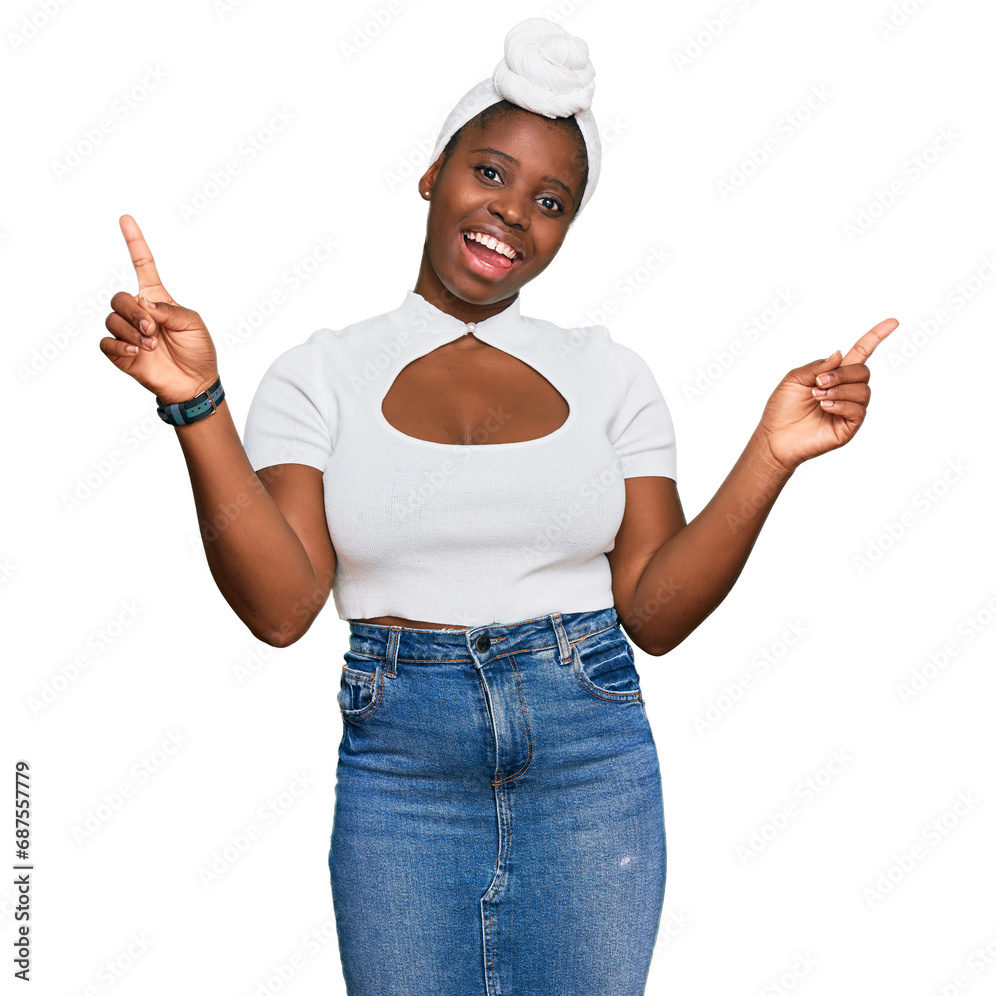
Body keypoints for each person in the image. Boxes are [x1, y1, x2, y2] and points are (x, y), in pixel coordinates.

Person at [100, 17, 896, 996]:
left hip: (590, 763)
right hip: (403, 773)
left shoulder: (610, 376)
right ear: (433, 173)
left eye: (550, 201)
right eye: (489, 174)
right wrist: (196, 404)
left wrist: (771, 455)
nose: (513, 212)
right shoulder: (321, 376)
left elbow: (653, 611)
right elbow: (280, 607)